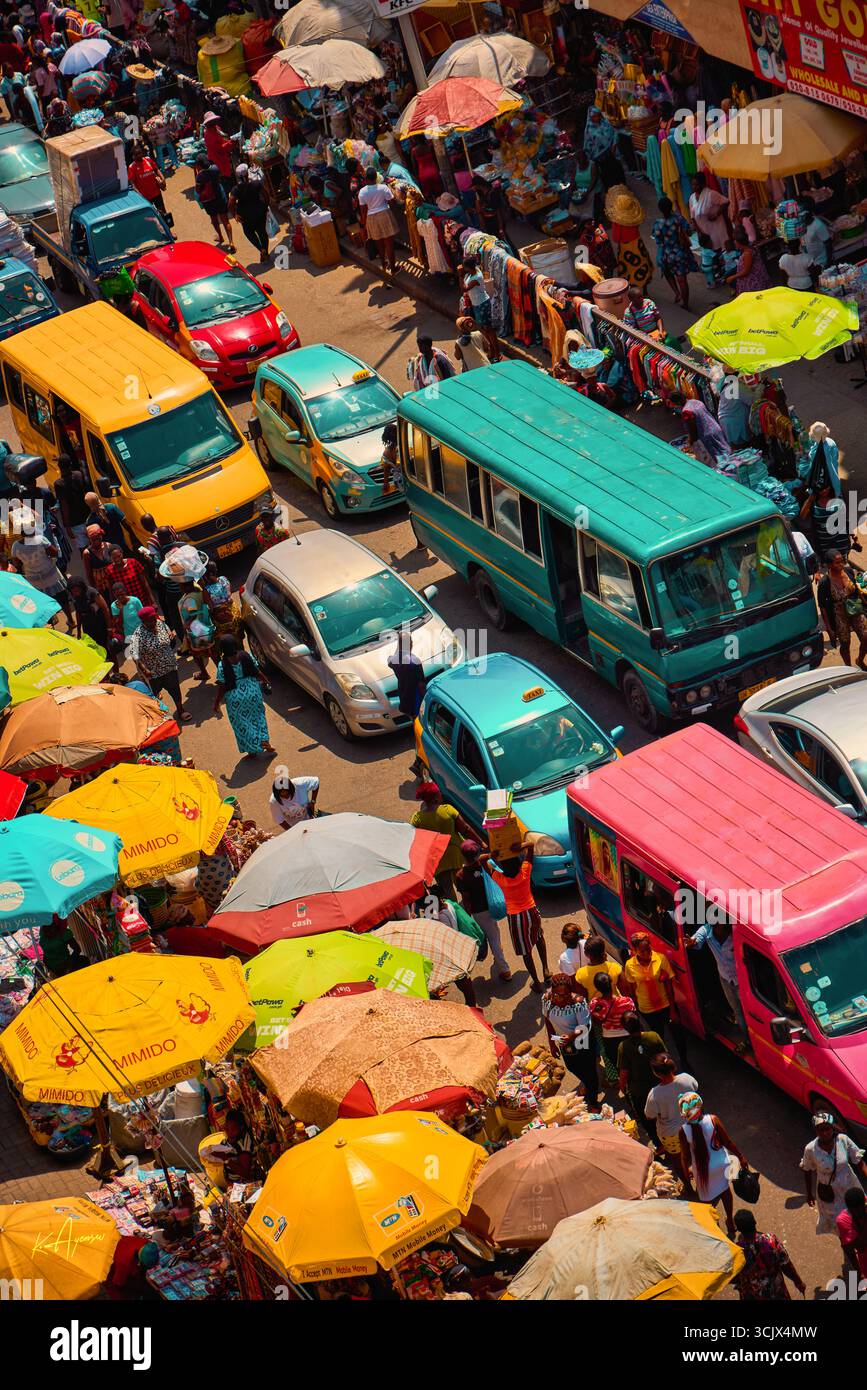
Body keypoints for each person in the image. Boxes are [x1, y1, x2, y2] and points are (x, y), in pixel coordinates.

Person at [482, 842, 550, 991]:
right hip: (532, 912)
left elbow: (482, 860)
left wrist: (491, 855)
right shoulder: (525, 872)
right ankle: (546, 970)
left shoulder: (500, 878)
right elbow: (531, 846)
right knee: (539, 938)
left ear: (503, 868)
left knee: (526, 951)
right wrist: (520, 847)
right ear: (519, 864)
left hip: (516, 917)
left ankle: (536, 982)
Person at [679, 1091, 747, 1235]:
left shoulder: (684, 1131)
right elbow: (727, 1142)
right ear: (701, 1106)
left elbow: (685, 1157)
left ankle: (714, 1226)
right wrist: (740, 1156)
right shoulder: (713, 1120)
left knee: (706, 1201)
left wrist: (687, 1174)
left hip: (703, 1171)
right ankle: (730, 1220)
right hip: (722, 1164)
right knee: (725, 1192)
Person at [801, 1112, 867, 1235]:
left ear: (832, 1127)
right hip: (829, 1193)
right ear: (816, 1131)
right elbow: (807, 1170)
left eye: (827, 1129)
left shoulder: (843, 1140)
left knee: (860, 1215)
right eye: (821, 1130)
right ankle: (848, 1245)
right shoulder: (810, 1149)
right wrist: (809, 1194)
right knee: (841, 1223)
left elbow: (859, 1162)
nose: (825, 1133)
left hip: (849, 1185)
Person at [622, 931, 684, 1062]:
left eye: (648, 949)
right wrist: (637, 1011)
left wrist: (673, 1010)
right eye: (642, 951)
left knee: (678, 1036)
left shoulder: (661, 959)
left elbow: (669, 985)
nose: (646, 953)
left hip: (666, 1006)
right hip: (647, 1010)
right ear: (635, 950)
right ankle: (664, 1063)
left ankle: (684, 1060)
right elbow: (632, 989)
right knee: (657, 1038)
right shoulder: (629, 965)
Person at [455, 839, 511, 982]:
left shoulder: (460, 876)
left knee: (492, 937)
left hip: (479, 912)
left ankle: (505, 970)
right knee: (494, 932)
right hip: (494, 905)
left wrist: (467, 918)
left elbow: (466, 900)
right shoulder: (484, 865)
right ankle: (499, 954)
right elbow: (487, 856)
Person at [411, 782, 477, 901]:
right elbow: (465, 829)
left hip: (437, 860)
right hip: (456, 855)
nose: (441, 794)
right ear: (435, 797)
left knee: (448, 892)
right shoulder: (447, 810)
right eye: (438, 793)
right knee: (465, 888)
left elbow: (415, 840)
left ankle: (456, 916)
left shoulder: (417, 818)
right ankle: (470, 912)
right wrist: (481, 843)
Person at [212, 634, 276, 757]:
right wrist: (267, 682)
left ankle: (252, 750)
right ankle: (263, 740)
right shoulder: (246, 656)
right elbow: (257, 673)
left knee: (242, 725)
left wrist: (216, 703)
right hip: (253, 692)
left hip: (235, 698)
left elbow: (222, 687)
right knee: (258, 717)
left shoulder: (222, 665)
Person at [541, 973, 598, 1099]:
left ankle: (593, 1099)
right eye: (558, 995)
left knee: (589, 1070)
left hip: (583, 1041)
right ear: (552, 992)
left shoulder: (578, 1003)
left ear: (571, 992)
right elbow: (548, 1021)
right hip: (565, 1042)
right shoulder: (546, 1000)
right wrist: (552, 1044)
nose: (562, 999)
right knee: (572, 1066)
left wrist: (571, 1036)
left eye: (566, 995)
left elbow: (585, 1027)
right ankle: (588, 1084)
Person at [128, 607, 191, 722]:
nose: (153, 622)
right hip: (153, 672)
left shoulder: (160, 623)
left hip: (169, 667)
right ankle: (159, 716)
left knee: (175, 689)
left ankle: (180, 710)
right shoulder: (138, 635)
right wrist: (144, 669)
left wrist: (170, 633)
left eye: (154, 618)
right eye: (149, 620)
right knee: (154, 695)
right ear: (143, 622)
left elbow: (167, 630)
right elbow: (134, 654)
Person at [685, 918, 746, 1034]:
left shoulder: (735, 932)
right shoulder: (706, 930)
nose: (718, 928)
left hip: (742, 980)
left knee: (749, 1012)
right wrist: (692, 943)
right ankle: (747, 1039)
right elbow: (695, 940)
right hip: (725, 978)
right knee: (737, 1010)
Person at [733, 1210, 806, 1301]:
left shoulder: (736, 1251)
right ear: (755, 1222)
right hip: (777, 1293)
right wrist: (798, 1282)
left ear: (738, 1229)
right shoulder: (770, 1241)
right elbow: (786, 1265)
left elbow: (733, 1278)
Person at [645, 1053, 699, 1173]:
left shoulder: (654, 1094)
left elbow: (649, 1116)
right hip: (691, 1126)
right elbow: (695, 1091)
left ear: (656, 1073)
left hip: (670, 1134)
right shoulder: (687, 1078)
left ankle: (688, 1187)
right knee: (695, 1152)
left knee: (677, 1159)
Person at [617, 1013, 666, 1143]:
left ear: (625, 1028)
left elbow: (624, 1072)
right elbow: (665, 1057)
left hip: (639, 1091)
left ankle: (658, 1143)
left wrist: (622, 1086)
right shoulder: (653, 1036)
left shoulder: (624, 1046)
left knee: (647, 1119)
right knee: (665, 1112)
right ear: (640, 1023)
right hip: (660, 1084)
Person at [10, 529, 72, 626]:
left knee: (43, 602)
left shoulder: (16, 546)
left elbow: (16, 563)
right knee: (62, 598)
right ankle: (71, 620)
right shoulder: (40, 539)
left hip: (34, 579)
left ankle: (52, 623)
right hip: (50, 574)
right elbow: (54, 552)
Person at [817, 550, 867, 668]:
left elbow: (857, 590)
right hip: (839, 615)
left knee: (866, 637)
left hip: (855, 610)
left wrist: (864, 604)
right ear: (829, 565)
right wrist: (829, 629)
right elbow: (822, 606)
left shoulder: (848, 571)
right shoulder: (825, 582)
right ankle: (848, 667)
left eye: (842, 561)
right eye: (837, 563)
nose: (841, 565)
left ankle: (859, 660)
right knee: (845, 644)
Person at [68, 578, 124, 676]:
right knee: (97, 653)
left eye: (77, 590)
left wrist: (109, 628)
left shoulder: (92, 593)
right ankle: (105, 676)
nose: (76, 593)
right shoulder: (74, 596)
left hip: (100, 625)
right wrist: (79, 630)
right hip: (88, 627)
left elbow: (105, 609)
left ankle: (117, 674)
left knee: (110, 650)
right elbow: (78, 612)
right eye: (73, 591)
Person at [589, 973, 635, 1084]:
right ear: (611, 983)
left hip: (609, 1040)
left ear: (597, 987)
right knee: (633, 1063)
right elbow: (634, 1017)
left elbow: (596, 1022)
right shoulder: (627, 1001)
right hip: (628, 1036)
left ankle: (626, 1085)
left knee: (619, 1065)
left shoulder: (595, 1004)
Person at [651, 195, 696, 309]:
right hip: (681, 253)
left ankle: (677, 293)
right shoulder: (679, 218)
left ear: (660, 209)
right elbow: (689, 232)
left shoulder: (658, 224)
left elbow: (658, 241)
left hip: (667, 255)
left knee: (667, 273)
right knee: (682, 280)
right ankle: (685, 304)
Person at [357, 167, 397, 275]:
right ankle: (393, 268)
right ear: (376, 177)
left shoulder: (362, 192)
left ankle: (384, 265)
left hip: (371, 218)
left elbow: (363, 211)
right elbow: (392, 203)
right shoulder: (383, 188)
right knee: (389, 244)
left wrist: (365, 225)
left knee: (379, 243)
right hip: (384, 214)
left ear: (365, 178)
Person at [460, 254, 499, 361]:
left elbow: (464, 289)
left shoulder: (476, 277)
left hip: (482, 304)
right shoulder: (471, 273)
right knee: (484, 330)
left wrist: (460, 276)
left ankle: (497, 353)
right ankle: (491, 351)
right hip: (477, 304)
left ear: (469, 267)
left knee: (489, 330)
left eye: (465, 267)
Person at [228, 164, 270, 258]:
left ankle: (261, 249)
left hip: (245, 216)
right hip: (259, 212)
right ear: (247, 174)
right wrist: (265, 207)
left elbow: (230, 203)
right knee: (262, 232)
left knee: (249, 233)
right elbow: (266, 195)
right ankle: (265, 251)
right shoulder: (256, 183)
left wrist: (235, 215)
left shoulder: (236, 189)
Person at [177, 578, 214, 682]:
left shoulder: (189, 599)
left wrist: (186, 625)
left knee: (196, 654)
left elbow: (192, 614)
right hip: (205, 626)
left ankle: (204, 673)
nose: (179, 587)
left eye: (180, 585)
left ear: (185, 586)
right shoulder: (198, 590)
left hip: (195, 631)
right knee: (212, 651)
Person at [194, 154, 233, 248]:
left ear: (199, 165)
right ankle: (231, 242)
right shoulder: (215, 168)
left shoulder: (200, 176)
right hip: (220, 196)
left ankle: (220, 236)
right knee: (225, 220)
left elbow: (197, 190)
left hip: (209, 201)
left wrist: (196, 172)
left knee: (214, 219)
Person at [680, 398, 732, 469]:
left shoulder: (686, 411)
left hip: (706, 435)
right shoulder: (695, 401)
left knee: (716, 460)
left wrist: (691, 441)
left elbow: (693, 429)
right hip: (715, 428)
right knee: (724, 451)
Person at [53, 453, 90, 551]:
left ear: (59, 466)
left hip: (75, 522)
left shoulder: (59, 484)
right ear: (70, 464)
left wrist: (67, 526)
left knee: (84, 549)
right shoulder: (79, 474)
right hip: (87, 516)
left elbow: (64, 506)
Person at [387, 627, 425, 722]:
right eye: (411, 641)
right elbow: (421, 685)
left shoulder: (393, 661)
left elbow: (389, 659)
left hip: (404, 696)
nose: (412, 643)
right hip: (416, 699)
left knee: (413, 719)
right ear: (410, 644)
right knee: (421, 721)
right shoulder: (415, 662)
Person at [583, 107, 623, 188]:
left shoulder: (606, 123)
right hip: (599, 157)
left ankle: (621, 189)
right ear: (590, 117)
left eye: (598, 116)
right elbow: (587, 144)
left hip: (611, 153)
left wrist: (614, 145)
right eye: (594, 116)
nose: (596, 118)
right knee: (607, 177)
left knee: (617, 173)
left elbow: (614, 134)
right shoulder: (589, 129)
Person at [688, 172, 729, 252]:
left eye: (696, 185)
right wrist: (699, 233)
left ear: (702, 184)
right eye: (692, 184)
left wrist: (716, 214)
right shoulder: (692, 198)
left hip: (716, 231)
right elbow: (692, 217)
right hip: (704, 234)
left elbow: (726, 202)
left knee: (720, 252)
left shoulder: (711, 194)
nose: (694, 187)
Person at [104, 544, 155, 608]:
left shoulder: (133, 562)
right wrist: (113, 606)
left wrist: (153, 601)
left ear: (122, 553)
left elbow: (145, 583)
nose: (117, 559)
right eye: (114, 558)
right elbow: (111, 591)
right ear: (110, 558)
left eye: (119, 556)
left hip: (142, 600)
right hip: (126, 605)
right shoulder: (109, 571)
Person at [574, 935, 622, 1000]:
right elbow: (624, 990)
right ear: (604, 951)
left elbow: (583, 995)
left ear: (586, 954)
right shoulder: (615, 967)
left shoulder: (580, 973)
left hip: (596, 1007)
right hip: (615, 1003)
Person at [202, 110, 237, 198]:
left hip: (224, 159)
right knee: (226, 184)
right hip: (218, 162)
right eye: (211, 121)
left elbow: (222, 140)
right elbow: (220, 149)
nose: (214, 122)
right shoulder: (208, 135)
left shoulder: (216, 128)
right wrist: (231, 143)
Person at [201, 560, 238, 644]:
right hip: (233, 616)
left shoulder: (206, 590)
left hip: (221, 624)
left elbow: (210, 609)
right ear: (216, 570)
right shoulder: (223, 579)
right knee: (237, 640)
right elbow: (229, 594)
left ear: (205, 575)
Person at [726, 227, 771, 294]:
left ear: (740, 243)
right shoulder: (747, 249)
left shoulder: (747, 253)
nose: (734, 242)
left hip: (754, 281)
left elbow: (746, 271)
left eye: (735, 241)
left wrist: (733, 277)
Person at [127, 140, 167, 215]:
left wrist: (163, 179)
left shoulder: (148, 159)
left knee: (163, 212)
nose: (138, 155)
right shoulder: (132, 167)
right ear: (133, 156)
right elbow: (132, 183)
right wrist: (139, 195)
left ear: (142, 153)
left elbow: (156, 169)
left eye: (139, 153)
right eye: (136, 155)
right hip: (145, 197)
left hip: (156, 193)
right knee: (150, 216)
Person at [837, 1186, 867, 1276]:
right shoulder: (843, 1220)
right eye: (854, 1210)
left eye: (860, 1208)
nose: (857, 1213)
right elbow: (860, 1247)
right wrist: (858, 1271)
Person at [568, 147, 600, 223]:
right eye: (577, 159)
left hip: (591, 189)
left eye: (581, 158)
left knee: (587, 210)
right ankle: (578, 218)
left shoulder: (592, 165)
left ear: (585, 158)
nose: (579, 161)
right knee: (574, 206)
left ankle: (587, 218)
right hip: (580, 190)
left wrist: (587, 192)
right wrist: (571, 190)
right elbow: (573, 181)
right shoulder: (576, 167)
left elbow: (593, 181)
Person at [801, 196, 831, 273]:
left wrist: (828, 264)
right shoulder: (803, 225)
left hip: (822, 263)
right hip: (813, 263)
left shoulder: (818, 225)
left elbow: (828, 244)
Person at [82, 524, 113, 597]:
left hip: (113, 581)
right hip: (101, 587)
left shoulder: (108, 546)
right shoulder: (87, 553)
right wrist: (94, 589)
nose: (96, 541)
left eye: (98, 538)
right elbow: (89, 572)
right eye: (93, 539)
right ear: (89, 539)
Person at [379, 423, 403, 498]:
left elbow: (386, 469)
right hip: (408, 478)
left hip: (398, 481)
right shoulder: (404, 446)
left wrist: (386, 483)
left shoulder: (386, 452)